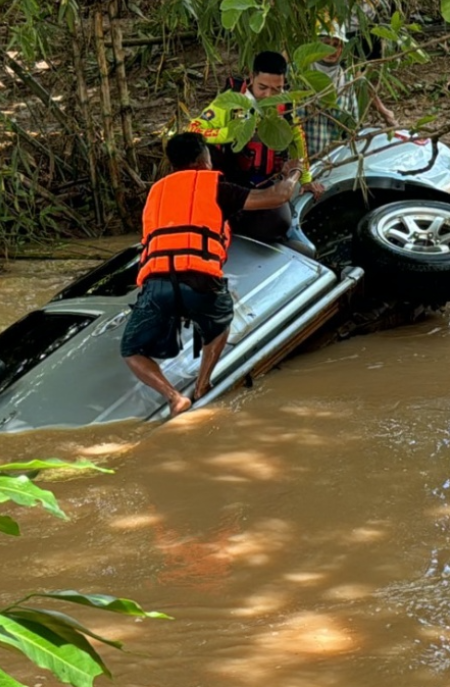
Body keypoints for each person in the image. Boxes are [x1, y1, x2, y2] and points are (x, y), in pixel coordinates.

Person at [121, 132, 304, 417]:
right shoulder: (213, 184)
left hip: (156, 282)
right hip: (200, 278)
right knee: (220, 323)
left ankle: (173, 397)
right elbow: (277, 196)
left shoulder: (155, 192)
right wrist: (292, 173)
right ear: (201, 160)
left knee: (131, 349)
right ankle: (202, 385)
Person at [187, 51, 323, 247]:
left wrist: (306, 179)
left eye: (277, 89)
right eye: (262, 87)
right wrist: (234, 132)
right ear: (251, 78)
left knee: (279, 223)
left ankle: (242, 220)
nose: (268, 95)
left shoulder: (285, 103)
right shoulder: (231, 100)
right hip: (231, 181)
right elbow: (193, 129)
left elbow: (297, 138)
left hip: (264, 184)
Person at [302, 22, 399, 159]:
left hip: (333, 159)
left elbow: (352, 122)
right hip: (303, 160)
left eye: (336, 45)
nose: (331, 50)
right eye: (325, 44)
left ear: (342, 47)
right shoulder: (300, 74)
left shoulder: (346, 78)